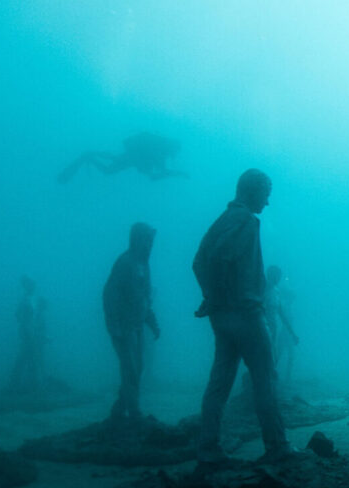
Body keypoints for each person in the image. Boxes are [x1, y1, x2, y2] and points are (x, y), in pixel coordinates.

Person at [194, 169, 291, 463]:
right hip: (245, 315)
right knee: (265, 378)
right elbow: (221, 259)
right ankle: (277, 446)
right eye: (266, 195)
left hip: (224, 316)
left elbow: (199, 262)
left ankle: (208, 448)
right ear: (252, 191)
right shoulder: (246, 221)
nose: (267, 203)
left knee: (220, 381)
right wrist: (233, 300)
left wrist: (213, 299)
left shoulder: (221, 221)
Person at [103, 223, 161, 421]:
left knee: (138, 367)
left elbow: (144, 298)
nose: (150, 244)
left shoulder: (144, 265)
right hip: (124, 326)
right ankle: (134, 412)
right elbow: (109, 295)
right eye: (146, 240)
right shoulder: (125, 263)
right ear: (137, 239)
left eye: (151, 241)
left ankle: (119, 409)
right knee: (131, 368)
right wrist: (114, 325)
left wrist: (152, 322)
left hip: (136, 326)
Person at [57, 132, 186, 183]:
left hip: (133, 158)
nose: (174, 154)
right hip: (134, 158)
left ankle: (90, 155)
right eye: (175, 151)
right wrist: (178, 174)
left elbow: (154, 175)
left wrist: (176, 173)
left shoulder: (160, 152)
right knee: (110, 168)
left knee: (112, 164)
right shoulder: (160, 152)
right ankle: (89, 156)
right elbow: (155, 176)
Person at [8, 276, 47, 394]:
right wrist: (26, 326)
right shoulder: (25, 300)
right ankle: (15, 384)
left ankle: (31, 385)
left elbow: (38, 316)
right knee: (26, 357)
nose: (31, 287)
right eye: (28, 285)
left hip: (34, 334)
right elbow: (18, 315)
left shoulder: (33, 299)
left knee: (32, 358)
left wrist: (39, 331)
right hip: (28, 334)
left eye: (31, 285)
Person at [264, 266, 299, 382]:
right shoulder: (262, 290)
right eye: (275, 276)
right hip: (263, 329)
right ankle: (266, 381)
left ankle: (273, 382)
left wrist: (292, 333)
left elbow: (282, 316)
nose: (277, 279)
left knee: (277, 354)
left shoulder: (277, 293)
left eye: (278, 277)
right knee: (273, 355)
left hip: (275, 330)